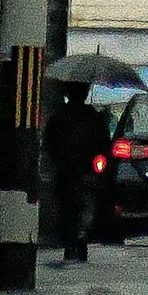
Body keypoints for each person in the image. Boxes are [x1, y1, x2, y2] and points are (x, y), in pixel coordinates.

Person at [43, 83, 110, 261]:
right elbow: (103, 145)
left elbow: (49, 143)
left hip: (65, 171)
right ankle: (80, 238)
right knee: (85, 206)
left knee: (66, 207)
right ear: (86, 93)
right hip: (86, 171)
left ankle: (70, 242)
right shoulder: (93, 117)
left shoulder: (59, 117)